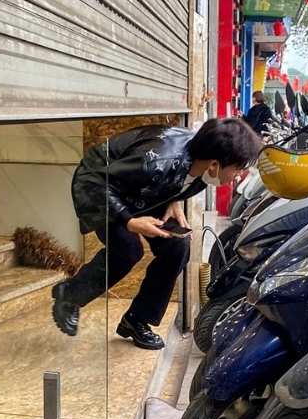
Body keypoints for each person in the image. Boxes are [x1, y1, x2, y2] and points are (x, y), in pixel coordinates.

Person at [52, 119, 262, 349]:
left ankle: (137, 320)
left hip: (146, 188)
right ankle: (70, 295)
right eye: (238, 168)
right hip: (103, 188)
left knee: (177, 247)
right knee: (128, 250)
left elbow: (178, 176)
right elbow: (95, 182)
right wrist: (129, 220)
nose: (240, 174)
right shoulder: (155, 161)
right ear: (214, 165)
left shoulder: (202, 161)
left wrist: (173, 199)